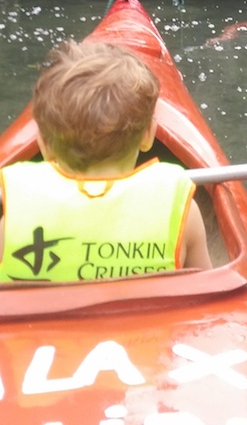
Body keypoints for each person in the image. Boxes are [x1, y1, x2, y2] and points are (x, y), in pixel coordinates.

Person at [0, 40, 212, 283]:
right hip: (146, 321)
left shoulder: (13, 218)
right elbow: (208, 292)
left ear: (45, 146)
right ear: (148, 135)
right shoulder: (187, 215)